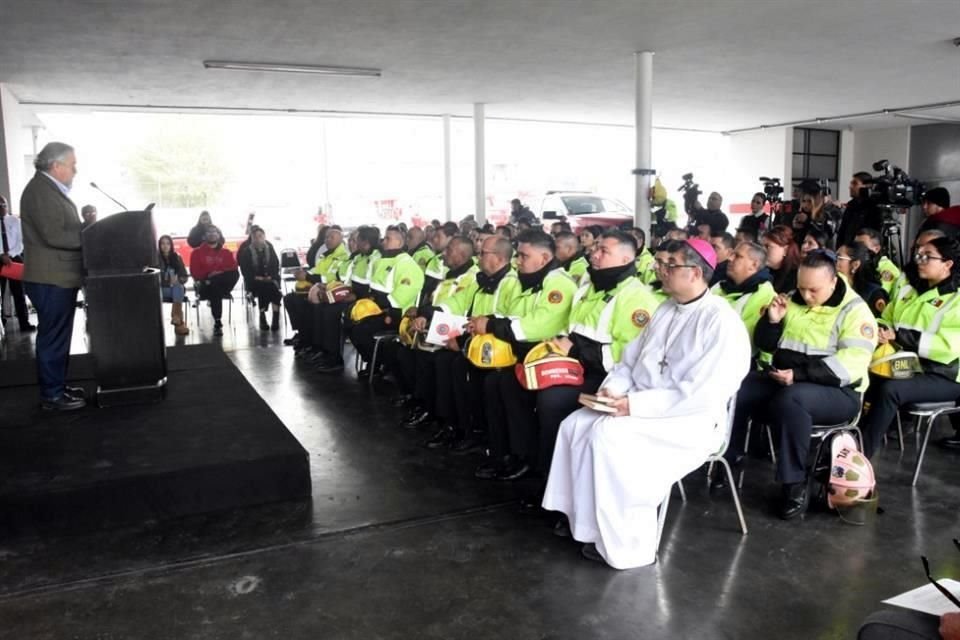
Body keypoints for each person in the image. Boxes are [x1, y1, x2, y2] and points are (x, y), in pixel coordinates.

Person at [542, 238, 751, 568]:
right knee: (575, 424)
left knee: (607, 437)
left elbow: (702, 393)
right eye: (661, 263)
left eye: (670, 265)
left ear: (695, 273)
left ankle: (625, 544)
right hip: (643, 406)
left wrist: (635, 406)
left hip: (689, 420)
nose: (660, 270)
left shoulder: (721, 322)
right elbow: (629, 362)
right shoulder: (665, 309)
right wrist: (613, 392)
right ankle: (583, 522)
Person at [728, 251, 877, 519]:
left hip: (840, 393)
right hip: (788, 380)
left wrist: (798, 375)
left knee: (792, 400)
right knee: (736, 387)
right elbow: (765, 344)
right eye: (802, 287)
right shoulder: (791, 300)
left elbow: (849, 366)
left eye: (814, 290)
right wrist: (771, 321)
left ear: (833, 282)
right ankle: (729, 460)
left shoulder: (855, 312)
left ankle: (794, 484)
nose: (806, 295)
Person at [528, 230, 662, 486]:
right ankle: (534, 466)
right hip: (575, 366)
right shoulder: (589, 288)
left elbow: (627, 355)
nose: (594, 255)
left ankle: (559, 483)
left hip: (610, 378)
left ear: (625, 259)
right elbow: (571, 331)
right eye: (595, 248)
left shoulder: (636, 298)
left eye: (604, 251)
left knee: (552, 400)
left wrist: (576, 351)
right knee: (520, 383)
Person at [473, 230, 578, 480]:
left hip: (547, 358)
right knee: (492, 381)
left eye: (523, 255)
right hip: (521, 354)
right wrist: (490, 323)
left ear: (543, 258)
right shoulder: (523, 281)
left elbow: (533, 326)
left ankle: (525, 457)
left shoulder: (559, 284)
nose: (517, 260)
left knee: (509, 384)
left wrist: (490, 326)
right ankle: (502, 452)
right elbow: (508, 315)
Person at [860, 236, 960, 457]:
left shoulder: (956, 299)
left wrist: (900, 337)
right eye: (918, 255)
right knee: (862, 377)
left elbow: (948, 346)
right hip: (907, 364)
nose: (919, 260)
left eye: (927, 257)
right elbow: (886, 318)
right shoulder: (909, 290)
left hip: (945, 374)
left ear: (948, 264)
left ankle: (860, 457)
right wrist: (881, 331)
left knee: (890, 390)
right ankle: (846, 441)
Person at [20, 141, 85, 411]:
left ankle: (57, 385)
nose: (75, 171)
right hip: (50, 278)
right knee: (53, 337)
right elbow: (54, 234)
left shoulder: (49, 189)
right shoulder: (40, 191)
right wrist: (88, 236)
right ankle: (52, 395)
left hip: (58, 277)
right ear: (56, 166)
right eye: (72, 165)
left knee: (58, 336)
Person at [335, 227, 423, 374]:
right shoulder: (382, 261)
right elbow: (373, 288)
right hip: (377, 308)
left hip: (396, 313)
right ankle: (374, 361)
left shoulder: (407, 264)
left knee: (360, 330)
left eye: (388, 239)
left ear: (400, 242)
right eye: (384, 238)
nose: (384, 241)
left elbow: (401, 295)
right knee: (348, 322)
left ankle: (380, 364)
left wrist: (378, 307)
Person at [710, 241, 777, 363]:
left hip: (733, 362)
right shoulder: (720, 285)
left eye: (737, 256)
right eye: (731, 254)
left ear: (753, 265)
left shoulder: (763, 293)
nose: (730, 259)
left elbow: (744, 339)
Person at [189, 225, 240, 336]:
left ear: (219, 235)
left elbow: (233, 268)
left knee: (234, 274)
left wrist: (217, 274)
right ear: (204, 236)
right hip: (204, 286)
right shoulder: (196, 253)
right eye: (209, 232)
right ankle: (217, 321)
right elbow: (195, 273)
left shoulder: (226, 252)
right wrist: (209, 275)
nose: (212, 234)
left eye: (215, 231)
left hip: (219, 284)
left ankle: (217, 322)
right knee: (215, 287)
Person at [0, 194, 35, 332]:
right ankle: (1, 323)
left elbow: (21, 242)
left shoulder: (15, 221)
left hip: (14, 258)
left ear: (7, 206)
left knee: (19, 293)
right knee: (0, 294)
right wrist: (2, 255)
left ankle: (24, 323)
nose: (2, 207)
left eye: (4, 205)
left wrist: (9, 255)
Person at [238, 226, 282, 331]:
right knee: (263, 287)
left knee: (274, 289)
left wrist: (270, 276)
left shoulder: (269, 248)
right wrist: (259, 278)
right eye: (255, 237)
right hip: (254, 280)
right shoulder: (246, 251)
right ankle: (262, 316)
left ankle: (275, 317)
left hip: (271, 278)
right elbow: (246, 271)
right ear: (251, 238)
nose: (258, 239)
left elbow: (275, 265)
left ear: (264, 237)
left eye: (260, 236)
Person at [837, 242, 889, 317]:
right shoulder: (834, 288)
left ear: (855, 265)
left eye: (839, 258)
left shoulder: (873, 294)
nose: (833, 262)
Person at [837, 172, 882, 246]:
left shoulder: (874, 207)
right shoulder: (851, 205)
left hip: (864, 251)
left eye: (855, 183)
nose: (850, 187)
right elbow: (842, 231)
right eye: (851, 183)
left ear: (867, 186)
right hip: (847, 250)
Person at [157, 234, 190, 335]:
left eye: (168, 243)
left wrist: (178, 279)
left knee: (178, 286)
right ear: (159, 245)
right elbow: (152, 278)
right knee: (178, 289)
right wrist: (167, 282)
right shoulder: (155, 258)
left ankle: (176, 319)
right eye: (163, 243)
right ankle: (179, 323)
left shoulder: (177, 257)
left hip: (175, 288)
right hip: (161, 290)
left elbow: (184, 275)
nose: (165, 246)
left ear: (171, 245)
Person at [854, 228, 902, 296]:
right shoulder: (857, 265)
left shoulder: (888, 269)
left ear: (876, 249)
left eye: (862, 246)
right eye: (855, 245)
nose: (857, 249)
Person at [762, 225, 801, 293]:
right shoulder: (762, 271)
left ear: (785, 250)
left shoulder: (796, 278)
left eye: (768, 247)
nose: (762, 250)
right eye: (761, 246)